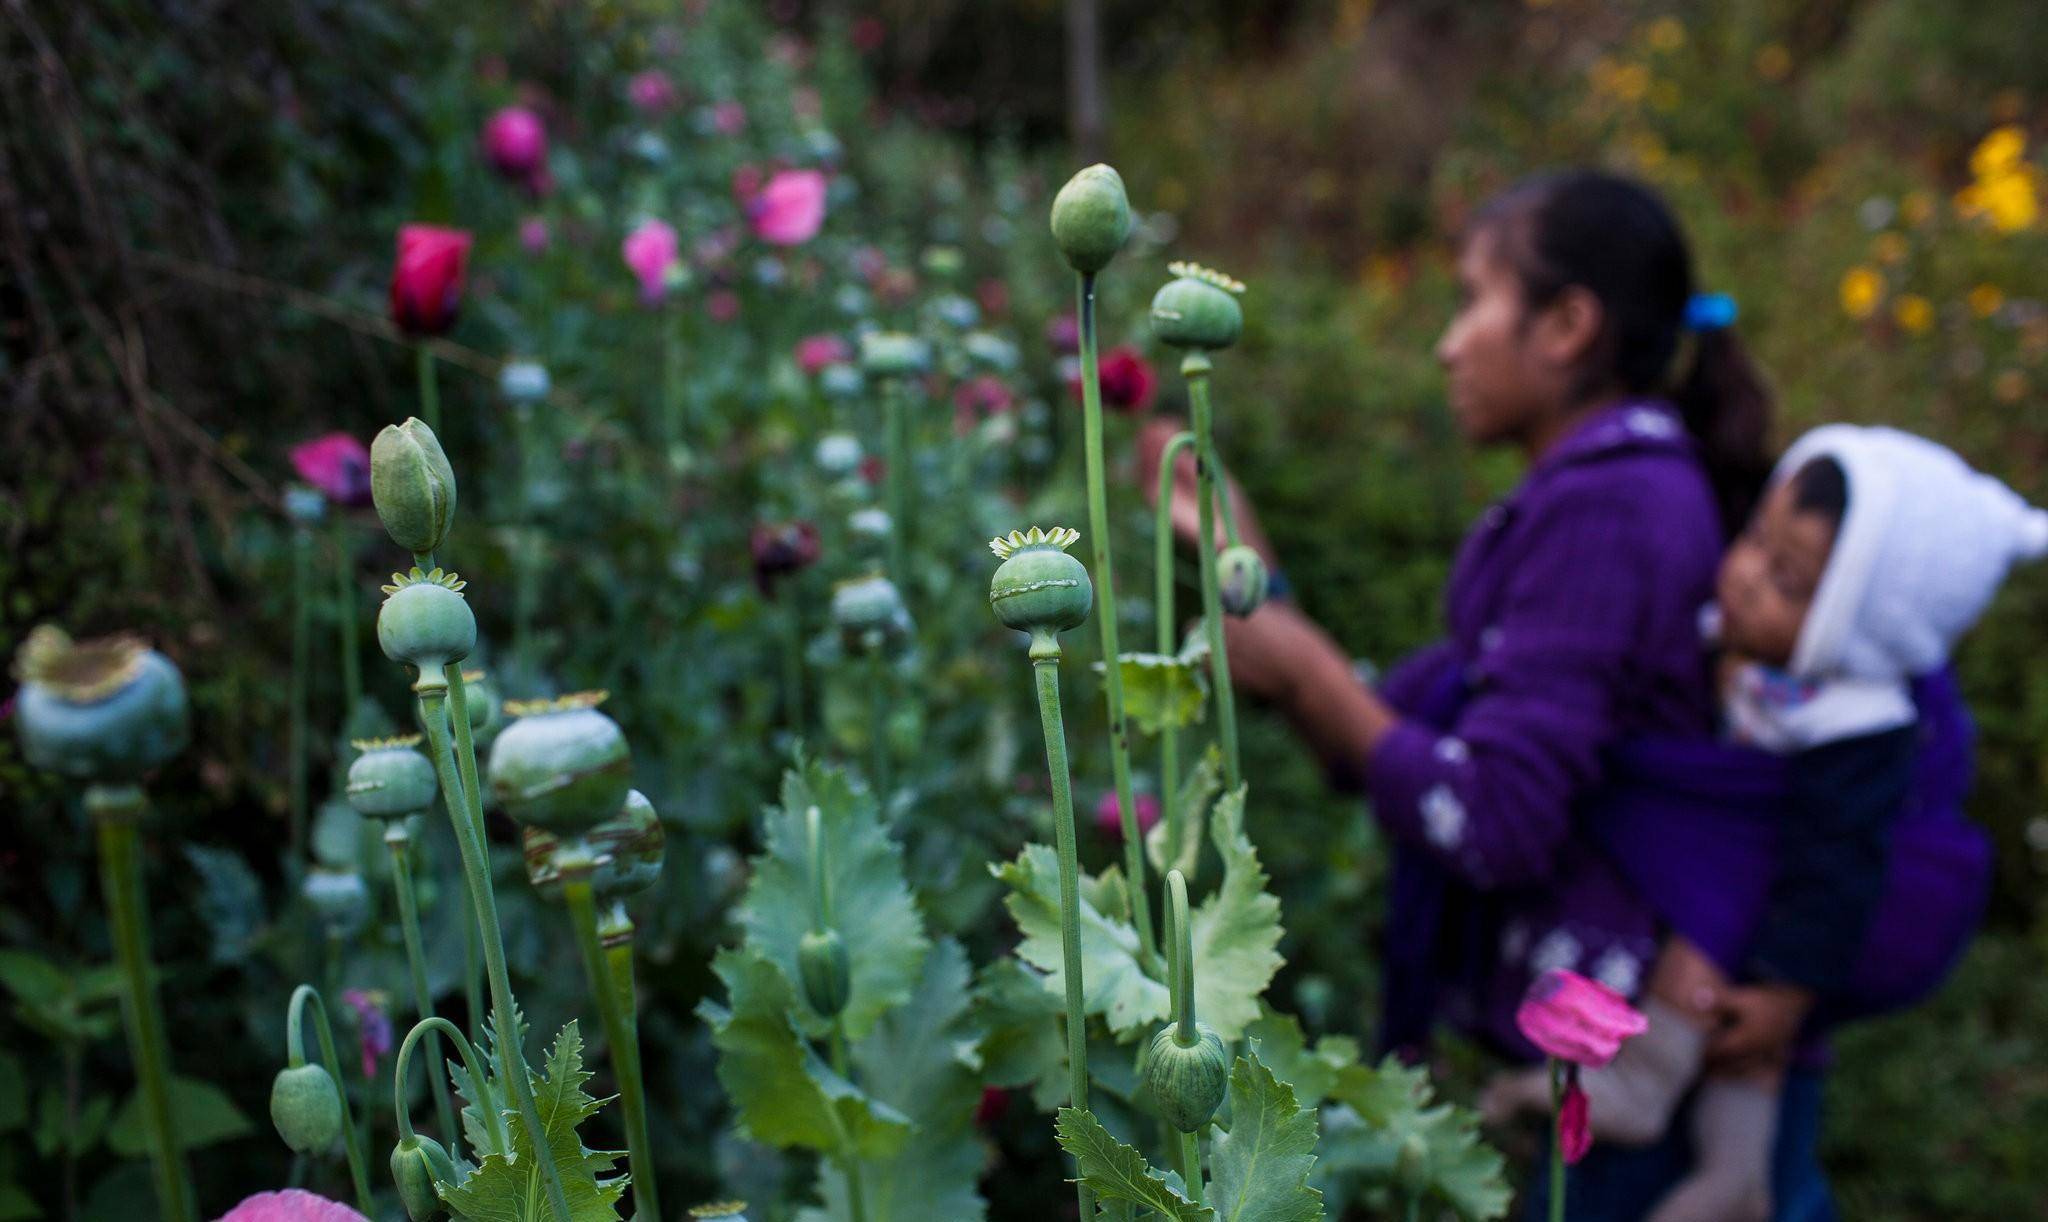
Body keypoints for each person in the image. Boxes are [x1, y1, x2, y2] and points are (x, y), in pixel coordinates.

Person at [1140, 168, 1798, 1217]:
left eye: (1468, 299)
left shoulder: (1611, 513)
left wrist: (1303, 664)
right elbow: (1392, 738)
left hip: (1607, 1103)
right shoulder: (1598, 491)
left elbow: (1489, 816)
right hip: (1573, 1072)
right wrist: (1248, 574)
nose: (1446, 344)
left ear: (1565, 324)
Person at [1487, 426, 2047, 1221]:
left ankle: (1671, 1118)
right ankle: (1737, 1178)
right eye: (1754, 539)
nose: (1747, 578)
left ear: (1862, 627)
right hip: (1754, 896)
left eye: (1787, 580)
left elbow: (1836, 866)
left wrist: (1787, 986)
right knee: (1733, 1010)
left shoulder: (1861, 723)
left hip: (1790, 925)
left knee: (1721, 984)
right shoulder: (1747, 649)